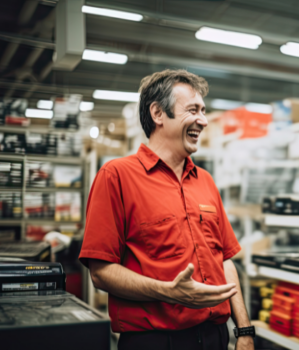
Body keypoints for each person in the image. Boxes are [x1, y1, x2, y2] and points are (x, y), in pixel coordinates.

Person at [79, 69, 255, 350]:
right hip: (155, 341)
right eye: (193, 110)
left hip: (215, 337)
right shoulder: (116, 176)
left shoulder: (205, 181)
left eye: (204, 111)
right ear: (158, 114)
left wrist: (244, 330)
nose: (204, 120)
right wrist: (169, 292)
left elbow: (224, 258)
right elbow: (101, 271)